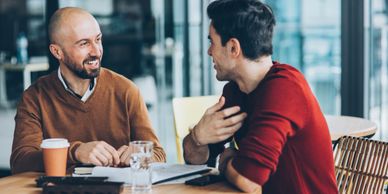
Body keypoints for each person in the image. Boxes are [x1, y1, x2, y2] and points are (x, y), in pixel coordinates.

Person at [182, 0, 338, 193]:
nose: (209, 51)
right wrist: (198, 137)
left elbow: (249, 180)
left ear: (233, 48)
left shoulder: (286, 88)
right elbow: (196, 161)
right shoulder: (235, 90)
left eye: (211, 42)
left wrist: (227, 161)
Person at [10, 7, 166, 174]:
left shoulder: (127, 91)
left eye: (98, 40)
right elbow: (21, 162)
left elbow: (158, 155)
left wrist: (141, 155)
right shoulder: (35, 97)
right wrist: (75, 152)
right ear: (57, 52)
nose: (96, 51)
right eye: (84, 43)